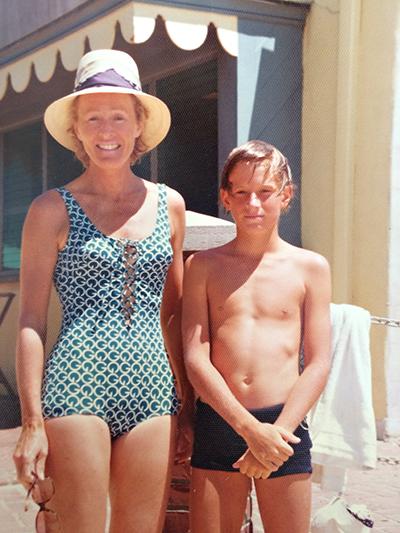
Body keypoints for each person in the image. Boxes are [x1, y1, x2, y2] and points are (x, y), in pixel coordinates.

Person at [13, 49, 192, 533]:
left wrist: (187, 403)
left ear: (138, 125)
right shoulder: (51, 209)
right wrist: (32, 423)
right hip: (76, 384)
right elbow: (30, 320)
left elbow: (172, 314)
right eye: (93, 118)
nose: (106, 130)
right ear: (76, 129)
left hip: (153, 391)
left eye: (118, 116)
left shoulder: (169, 205)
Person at [182, 140, 331, 533]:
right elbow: (195, 357)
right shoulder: (203, 266)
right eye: (242, 193)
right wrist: (250, 431)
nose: (254, 204)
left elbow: (318, 361)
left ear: (286, 196)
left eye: (265, 192)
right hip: (221, 419)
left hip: (285, 426)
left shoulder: (310, 267)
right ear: (225, 197)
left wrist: (275, 434)